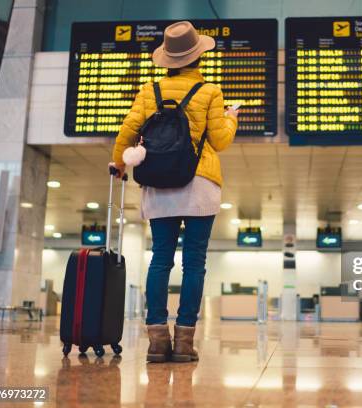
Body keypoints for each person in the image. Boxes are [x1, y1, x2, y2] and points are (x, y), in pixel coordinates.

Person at [109, 21, 238, 363]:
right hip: (200, 183)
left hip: (160, 182)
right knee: (194, 262)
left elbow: (128, 129)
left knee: (161, 259)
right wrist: (231, 118)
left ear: (167, 60)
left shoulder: (149, 91)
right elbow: (220, 140)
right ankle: (183, 342)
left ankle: (156, 341)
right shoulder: (210, 91)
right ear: (199, 57)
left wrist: (119, 164)